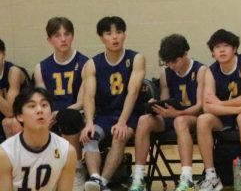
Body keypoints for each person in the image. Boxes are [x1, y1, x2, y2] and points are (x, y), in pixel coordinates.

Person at [131, 35, 207, 191]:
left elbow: (200, 106)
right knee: (144, 121)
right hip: (172, 115)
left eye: (175, 61)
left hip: (193, 117)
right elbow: (165, 101)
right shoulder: (165, 72)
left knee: (181, 121)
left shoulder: (201, 70)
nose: (171, 65)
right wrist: (157, 106)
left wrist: (177, 114)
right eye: (168, 62)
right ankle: (139, 178)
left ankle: (187, 179)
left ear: (185, 54)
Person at [80, 17, 145, 191]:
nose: (115, 37)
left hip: (129, 114)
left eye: (118, 32)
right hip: (104, 115)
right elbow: (89, 96)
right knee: (90, 136)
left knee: (119, 135)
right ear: (102, 38)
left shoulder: (136, 58)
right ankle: (95, 177)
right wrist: (89, 122)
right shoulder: (92, 64)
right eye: (109, 33)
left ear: (124, 35)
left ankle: (103, 182)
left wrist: (123, 121)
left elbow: (133, 91)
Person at [195, 30, 241, 191]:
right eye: (217, 47)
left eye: (226, 46)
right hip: (228, 116)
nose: (221, 50)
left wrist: (220, 103)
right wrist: (235, 109)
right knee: (203, 119)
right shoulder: (210, 71)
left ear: (234, 49)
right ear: (212, 52)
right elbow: (207, 107)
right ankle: (211, 176)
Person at [0, 87, 78, 191]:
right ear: (19, 116)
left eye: (44, 105)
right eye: (32, 106)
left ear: (51, 114)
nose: (40, 110)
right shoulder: (5, 153)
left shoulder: (67, 151)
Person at [34, 19, 88, 157]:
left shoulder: (85, 63)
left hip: (77, 114)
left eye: (67, 34)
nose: (63, 39)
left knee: (68, 117)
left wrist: (58, 114)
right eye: (57, 35)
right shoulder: (41, 67)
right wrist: (47, 115)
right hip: (51, 114)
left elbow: (82, 102)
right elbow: (42, 100)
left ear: (73, 36)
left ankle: (76, 167)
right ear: (49, 40)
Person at [0, 41, 28, 138]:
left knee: (11, 122)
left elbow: (10, 112)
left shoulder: (13, 72)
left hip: (20, 114)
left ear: (3, 54)